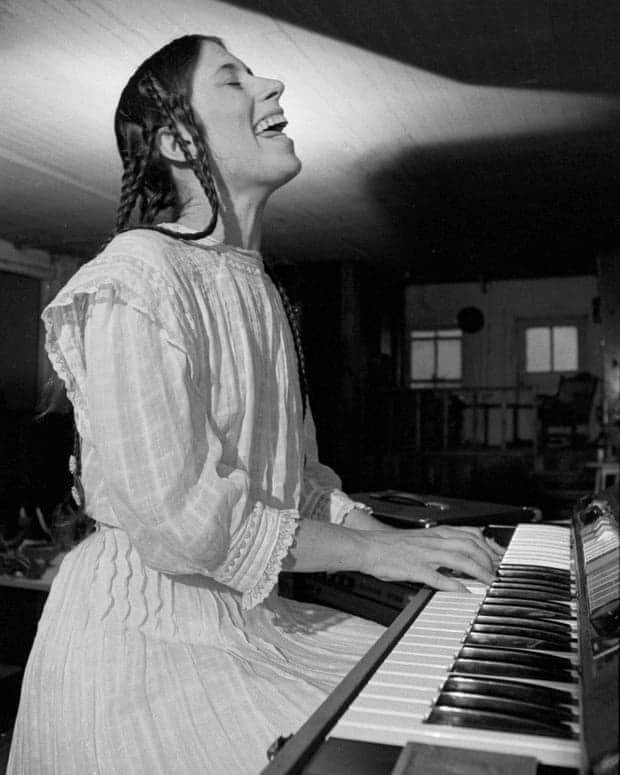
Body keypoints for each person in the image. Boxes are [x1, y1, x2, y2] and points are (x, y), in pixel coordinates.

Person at [8, 34, 502, 775]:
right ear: (177, 140)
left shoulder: (261, 288)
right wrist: (382, 552)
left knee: (455, 728)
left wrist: (409, 547)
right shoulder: (135, 278)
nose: (273, 87)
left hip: (250, 619)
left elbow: (297, 484)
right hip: (147, 642)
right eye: (235, 81)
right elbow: (187, 524)